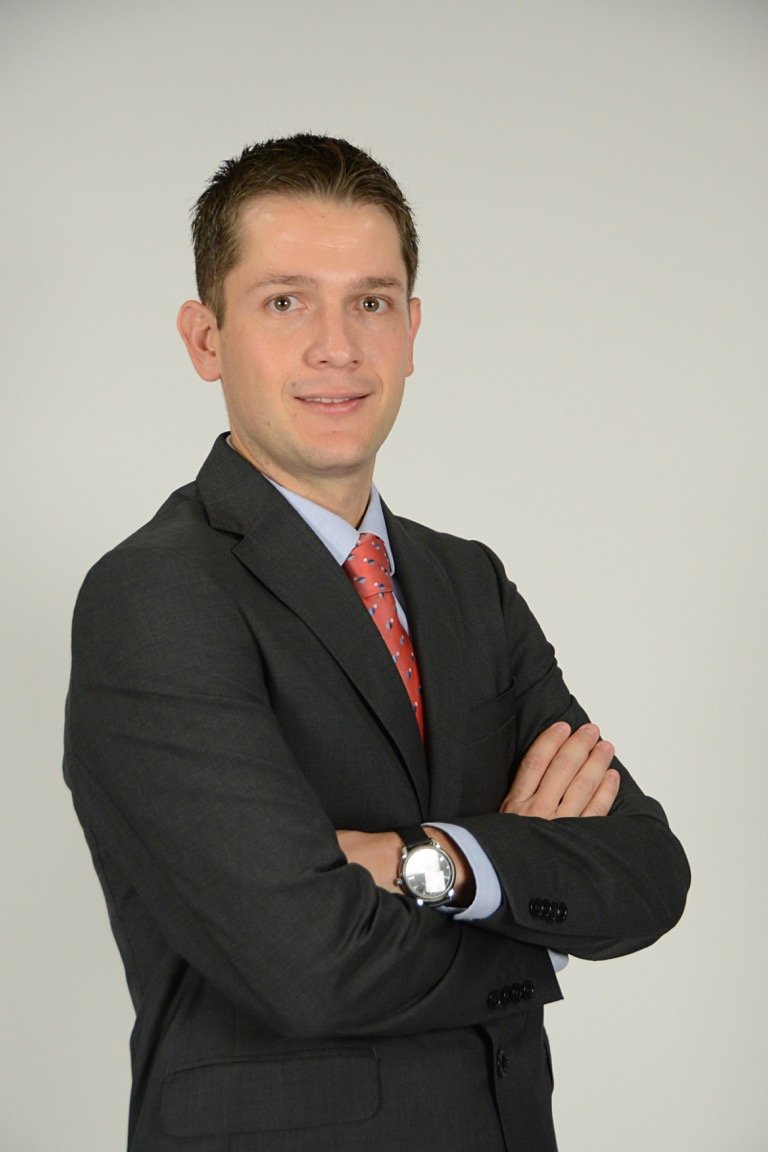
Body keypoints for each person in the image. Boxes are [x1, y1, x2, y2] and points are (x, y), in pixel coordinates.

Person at [64, 134, 689, 1152]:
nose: (337, 347)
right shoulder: (157, 596)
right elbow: (309, 964)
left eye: (371, 301)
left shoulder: (468, 583)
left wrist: (425, 861)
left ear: (411, 331)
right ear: (205, 339)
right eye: (285, 301)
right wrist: (534, 916)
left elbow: (647, 870)